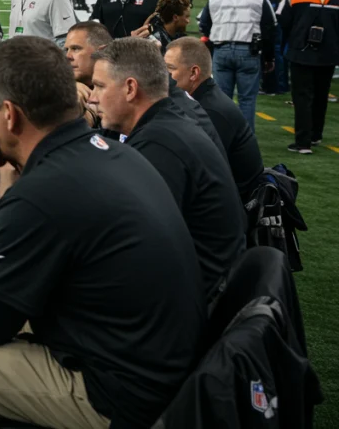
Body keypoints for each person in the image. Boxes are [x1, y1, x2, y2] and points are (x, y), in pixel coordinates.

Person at [0, 37, 203, 429]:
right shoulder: (109, 150)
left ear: (9, 114)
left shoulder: (42, 192)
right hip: (151, 354)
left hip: (118, 392)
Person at [89, 38, 245, 300]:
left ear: (130, 88)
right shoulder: (166, 123)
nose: (92, 98)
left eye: (100, 86)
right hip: (202, 286)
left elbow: (134, 247)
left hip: (194, 304)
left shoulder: (160, 146)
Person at [165, 37, 264, 200]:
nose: (164, 77)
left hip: (237, 205)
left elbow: (200, 172)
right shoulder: (205, 100)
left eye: (170, 69)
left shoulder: (210, 111)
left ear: (193, 73)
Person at [198, 0, 276, 130]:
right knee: (247, 100)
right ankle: (246, 142)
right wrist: (269, 57)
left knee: (221, 100)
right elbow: (269, 28)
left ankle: (222, 140)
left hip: (222, 49)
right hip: (250, 51)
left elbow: (203, 25)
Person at [281, 0, 339, 153]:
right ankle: (316, 135)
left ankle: (302, 142)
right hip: (328, 54)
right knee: (321, 95)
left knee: (302, 97)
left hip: (301, 52)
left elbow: (284, 22)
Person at [64, 20, 112, 125]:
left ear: (102, 52)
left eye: (75, 49)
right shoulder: (59, 85)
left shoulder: (118, 92)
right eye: (66, 49)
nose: (68, 56)